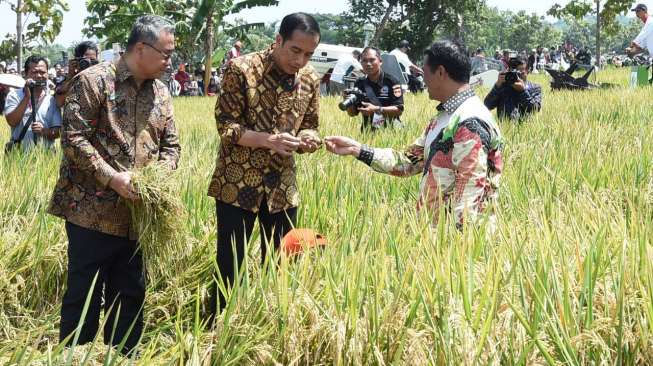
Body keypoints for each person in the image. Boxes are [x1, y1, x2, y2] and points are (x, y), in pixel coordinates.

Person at [48, 15, 180, 354]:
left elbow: (172, 146)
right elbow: (74, 139)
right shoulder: (93, 82)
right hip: (90, 211)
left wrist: (157, 179)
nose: (170, 62)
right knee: (85, 293)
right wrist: (112, 177)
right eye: (166, 54)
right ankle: (75, 357)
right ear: (141, 48)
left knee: (132, 291)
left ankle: (124, 357)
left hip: (138, 214)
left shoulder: (162, 92)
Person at [207, 12, 322, 317]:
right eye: (295, 51)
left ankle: (271, 324)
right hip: (238, 183)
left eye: (308, 54)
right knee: (231, 265)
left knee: (283, 263)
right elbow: (227, 127)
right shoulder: (241, 69)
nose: (300, 61)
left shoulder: (310, 79)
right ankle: (220, 328)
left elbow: (310, 124)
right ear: (278, 41)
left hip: (281, 187)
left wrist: (308, 139)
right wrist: (269, 140)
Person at [325, 40, 503, 229]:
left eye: (424, 73)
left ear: (441, 72)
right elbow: (407, 162)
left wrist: (453, 252)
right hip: (435, 236)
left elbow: (469, 205)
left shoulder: (469, 122)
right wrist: (357, 149)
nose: (422, 80)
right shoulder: (445, 117)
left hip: (454, 243)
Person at [4, 55, 62, 151]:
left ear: (47, 74)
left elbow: (58, 132)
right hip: (18, 156)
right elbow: (12, 122)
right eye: (34, 72)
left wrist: (44, 131)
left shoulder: (52, 100)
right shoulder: (14, 95)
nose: (39, 75)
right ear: (26, 74)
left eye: (43, 72)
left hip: (45, 158)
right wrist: (27, 97)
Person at [346, 46, 404, 131]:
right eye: (364, 61)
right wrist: (348, 103)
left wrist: (376, 109)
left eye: (372, 60)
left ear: (380, 62)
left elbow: (399, 109)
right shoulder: (359, 83)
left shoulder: (392, 81)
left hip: (389, 131)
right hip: (367, 133)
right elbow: (353, 113)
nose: (368, 64)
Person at [484, 56, 542, 121]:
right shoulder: (503, 87)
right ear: (509, 71)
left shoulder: (534, 87)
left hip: (525, 127)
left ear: (528, 70)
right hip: (505, 128)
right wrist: (497, 85)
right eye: (514, 72)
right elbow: (487, 106)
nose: (517, 76)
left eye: (520, 72)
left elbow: (535, 109)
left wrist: (523, 92)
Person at [55, 41, 100, 107]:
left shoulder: (102, 79)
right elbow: (59, 102)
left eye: (93, 61)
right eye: (85, 61)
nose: (90, 65)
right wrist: (70, 77)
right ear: (77, 60)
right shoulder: (69, 81)